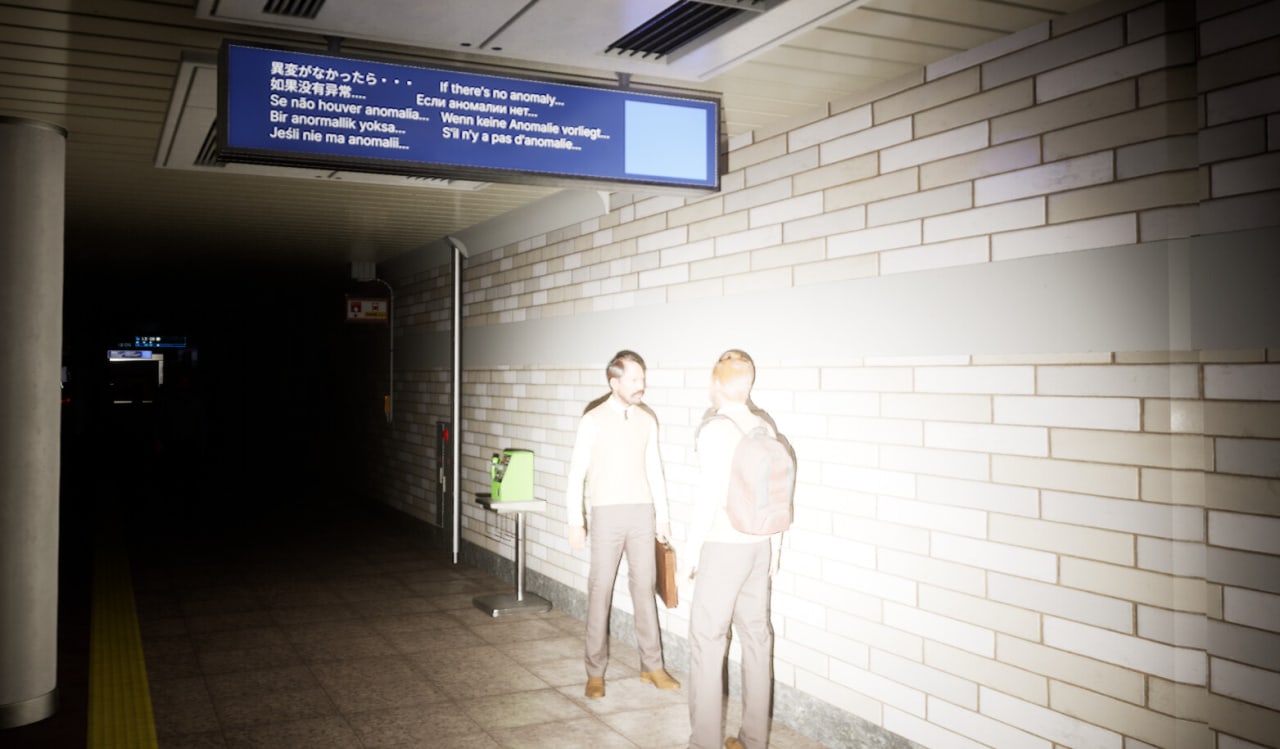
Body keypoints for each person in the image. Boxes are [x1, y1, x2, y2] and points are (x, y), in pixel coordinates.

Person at [684, 349, 784, 749]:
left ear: (715, 384)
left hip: (723, 548)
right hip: (760, 547)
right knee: (757, 641)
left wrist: (689, 555)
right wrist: (775, 547)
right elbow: (775, 493)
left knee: (707, 641)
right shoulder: (765, 426)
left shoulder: (714, 430)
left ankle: (704, 743)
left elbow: (708, 497)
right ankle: (754, 741)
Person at [565, 349, 680, 699]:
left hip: (642, 514)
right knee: (600, 589)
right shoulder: (592, 419)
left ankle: (652, 666)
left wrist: (663, 517)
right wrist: (575, 521)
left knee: (644, 588)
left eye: (642, 378)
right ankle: (594, 671)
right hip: (607, 514)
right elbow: (576, 474)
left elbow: (655, 470)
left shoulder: (647, 420)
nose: (640, 385)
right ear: (614, 382)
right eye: (634, 379)